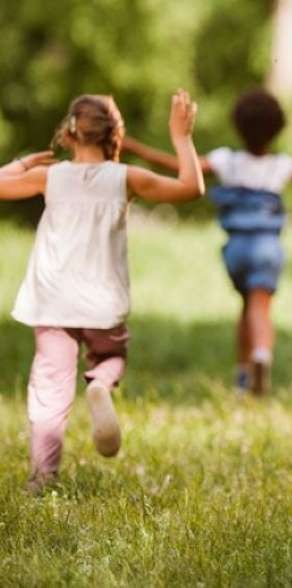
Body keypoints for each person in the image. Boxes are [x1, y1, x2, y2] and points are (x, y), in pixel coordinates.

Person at [3, 91, 205, 493]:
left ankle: (42, 476)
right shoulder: (126, 178)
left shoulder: (50, 176)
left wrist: (22, 163)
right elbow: (190, 189)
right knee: (110, 355)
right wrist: (181, 137)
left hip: (52, 301)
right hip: (102, 302)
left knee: (49, 386)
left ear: (70, 133)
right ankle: (99, 385)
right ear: (114, 134)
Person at [123, 89, 292, 396]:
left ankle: (242, 376)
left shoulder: (226, 161)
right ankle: (261, 354)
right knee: (260, 308)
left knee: (246, 306)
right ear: (277, 129)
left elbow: (173, 164)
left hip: (235, 249)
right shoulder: (281, 166)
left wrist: (133, 145)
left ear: (238, 126)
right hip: (267, 248)